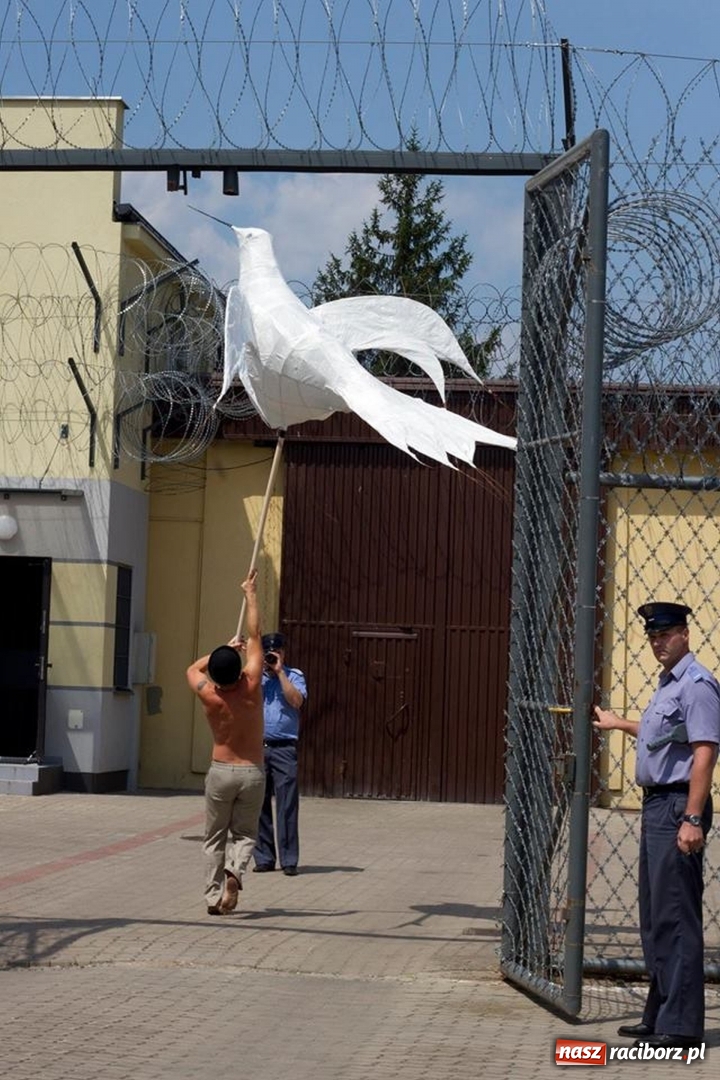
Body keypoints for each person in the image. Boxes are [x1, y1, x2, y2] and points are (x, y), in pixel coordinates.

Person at [592, 600, 720, 1050]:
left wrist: (691, 816)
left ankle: (682, 1029)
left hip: (676, 808)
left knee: (677, 918)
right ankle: (660, 1014)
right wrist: (617, 723)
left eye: (665, 635)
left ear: (685, 633)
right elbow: (660, 735)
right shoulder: (668, 685)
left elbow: (705, 750)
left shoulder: (698, 685)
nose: (658, 643)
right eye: (652, 637)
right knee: (655, 918)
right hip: (657, 809)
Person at [186, 570, 265, 915]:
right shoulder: (251, 686)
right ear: (239, 670)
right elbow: (256, 633)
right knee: (245, 834)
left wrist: (221, 651)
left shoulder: (210, 697)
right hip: (252, 770)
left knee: (214, 836)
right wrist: (250, 594)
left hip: (221, 770)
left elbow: (193, 669)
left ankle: (212, 896)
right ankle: (236, 870)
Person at [253, 631, 307, 876]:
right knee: (258, 804)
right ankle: (264, 857)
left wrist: (280, 672)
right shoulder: (255, 679)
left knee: (286, 805)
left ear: (283, 653)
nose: (272, 656)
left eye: (277, 652)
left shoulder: (295, 676)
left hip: (284, 748)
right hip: (258, 747)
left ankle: (288, 860)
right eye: (268, 653)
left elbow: (296, 701)